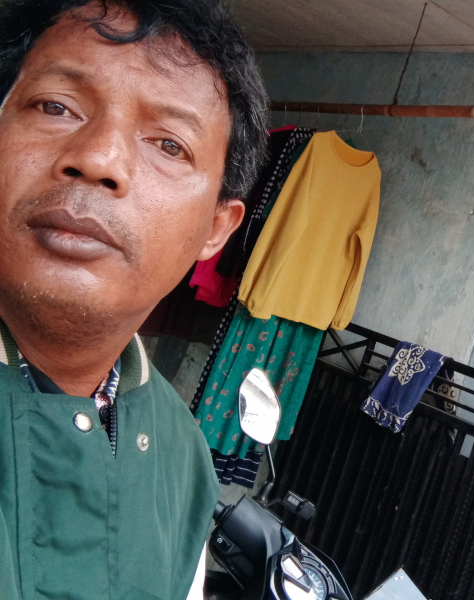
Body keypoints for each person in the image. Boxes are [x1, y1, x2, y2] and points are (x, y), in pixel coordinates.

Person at [0, 0, 270, 598]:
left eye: (169, 145)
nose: (99, 160)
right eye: (56, 106)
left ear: (215, 231)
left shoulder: (185, 462)